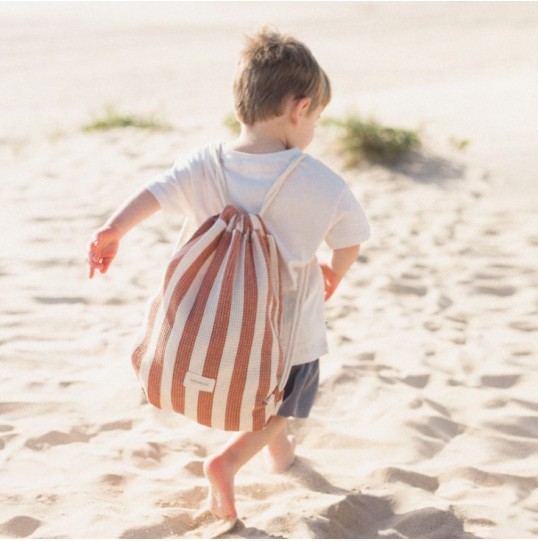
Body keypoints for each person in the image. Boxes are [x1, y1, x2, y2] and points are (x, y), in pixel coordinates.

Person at [87, 27, 370, 525]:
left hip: (212, 324)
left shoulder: (203, 164)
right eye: (316, 120)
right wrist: (334, 272)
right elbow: (351, 238)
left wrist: (113, 230)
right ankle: (228, 461)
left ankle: (280, 458)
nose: (313, 131)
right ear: (300, 109)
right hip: (287, 334)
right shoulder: (320, 182)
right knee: (286, 397)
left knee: (261, 389)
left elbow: (154, 193)